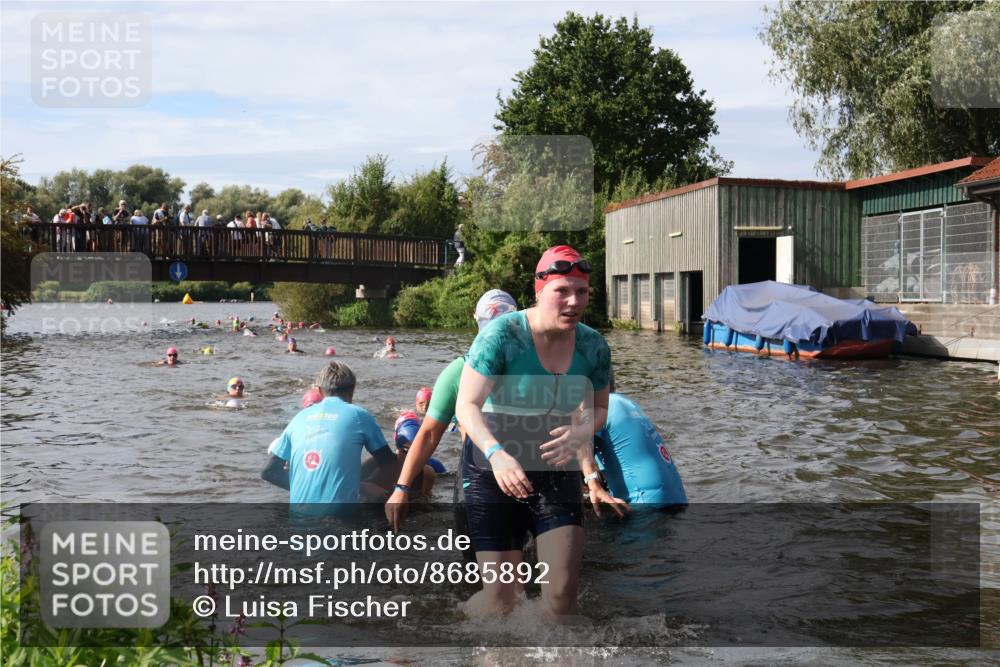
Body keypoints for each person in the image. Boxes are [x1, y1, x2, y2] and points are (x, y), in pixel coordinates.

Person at [454, 245, 628, 620]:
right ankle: (462, 616)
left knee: (562, 594)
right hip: (494, 470)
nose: (573, 301)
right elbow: (466, 405)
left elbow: (599, 409)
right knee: (501, 601)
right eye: (561, 291)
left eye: (581, 291)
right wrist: (497, 455)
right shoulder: (502, 336)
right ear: (539, 291)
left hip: (555, 468)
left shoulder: (593, 345)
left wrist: (581, 432)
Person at [385, 289, 519, 533]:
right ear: (479, 326)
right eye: (491, 331)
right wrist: (401, 488)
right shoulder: (458, 371)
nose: (497, 339)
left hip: (526, 474)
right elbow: (429, 434)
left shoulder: (537, 366)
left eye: (503, 330)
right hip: (478, 478)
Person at [261, 362, 400, 512]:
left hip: (298, 519)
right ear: (352, 389)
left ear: (320, 391)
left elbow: (269, 472)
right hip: (341, 519)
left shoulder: (298, 418)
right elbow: (391, 466)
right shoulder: (359, 416)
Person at [595, 388, 687, 507]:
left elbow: (577, 462)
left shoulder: (596, 410)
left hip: (644, 500)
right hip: (676, 495)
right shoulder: (626, 402)